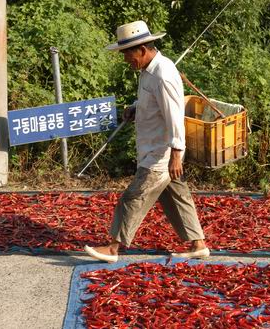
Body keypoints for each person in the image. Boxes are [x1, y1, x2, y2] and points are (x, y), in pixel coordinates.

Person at [84, 21, 209, 263]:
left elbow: (174, 115)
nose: (126, 60)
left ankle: (113, 248)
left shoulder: (163, 74)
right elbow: (152, 104)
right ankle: (198, 244)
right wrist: (135, 108)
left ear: (142, 50)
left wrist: (175, 154)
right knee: (177, 196)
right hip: (156, 148)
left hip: (161, 153)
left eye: (128, 55)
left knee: (134, 196)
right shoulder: (147, 71)